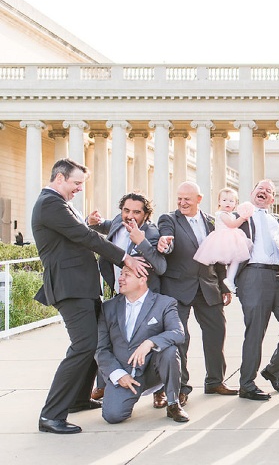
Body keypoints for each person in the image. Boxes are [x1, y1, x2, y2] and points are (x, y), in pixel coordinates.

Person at [33, 158, 147, 434]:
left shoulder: (59, 205)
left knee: (93, 342)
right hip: (70, 288)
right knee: (83, 345)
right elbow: (86, 237)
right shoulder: (50, 204)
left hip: (81, 287)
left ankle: (77, 399)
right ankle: (51, 415)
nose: (79, 189)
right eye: (76, 183)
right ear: (59, 178)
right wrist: (125, 259)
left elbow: (76, 235)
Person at [156, 181, 236, 406]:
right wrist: (164, 244)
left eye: (187, 199)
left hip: (208, 287)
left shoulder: (211, 221)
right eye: (179, 198)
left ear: (199, 199)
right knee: (181, 339)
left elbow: (218, 256)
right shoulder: (169, 220)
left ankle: (215, 381)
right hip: (177, 289)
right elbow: (166, 239)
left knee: (216, 332)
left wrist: (223, 285)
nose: (182, 202)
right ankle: (181, 387)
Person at [87, 192, 168, 404]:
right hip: (118, 293)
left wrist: (142, 243)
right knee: (108, 340)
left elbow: (160, 267)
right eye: (126, 210)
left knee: (149, 345)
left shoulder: (151, 233)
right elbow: (105, 226)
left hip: (144, 298)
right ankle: (104, 385)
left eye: (136, 212)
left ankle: (160, 390)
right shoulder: (117, 221)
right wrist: (91, 222)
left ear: (146, 215)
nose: (129, 216)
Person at [233, 179, 279, 400]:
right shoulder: (241, 216)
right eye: (259, 189)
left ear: (273, 199)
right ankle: (247, 383)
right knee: (255, 330)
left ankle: (274, 370)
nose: (263, 192)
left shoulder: (278, 220)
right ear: (252, 193)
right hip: (253, 274)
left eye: (269, 191)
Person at [96, 267, 188, 424]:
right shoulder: (108, 308)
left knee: (170, 351)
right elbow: (101, 349)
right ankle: (127, 396)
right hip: (126, 373)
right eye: (121, 274)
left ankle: (173, 403)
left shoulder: (165, 303)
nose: (121, 278)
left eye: (127, 275)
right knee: (112, 416)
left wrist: (150, 342)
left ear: (142, 279)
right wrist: (118, 374)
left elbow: (178, 333)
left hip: (153, 369)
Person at [193, 187, 254, 294]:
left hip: (231, 237)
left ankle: (230, 279)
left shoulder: (230, 214)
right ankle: (229, 279)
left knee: (235, 259)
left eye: (231, 201)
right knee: (235, 259)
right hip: (224, 239)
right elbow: (232, 225)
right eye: (224, 200)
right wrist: (243, 218)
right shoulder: (222, 214)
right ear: (219, 202)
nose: (228, 203)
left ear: (235, 203)